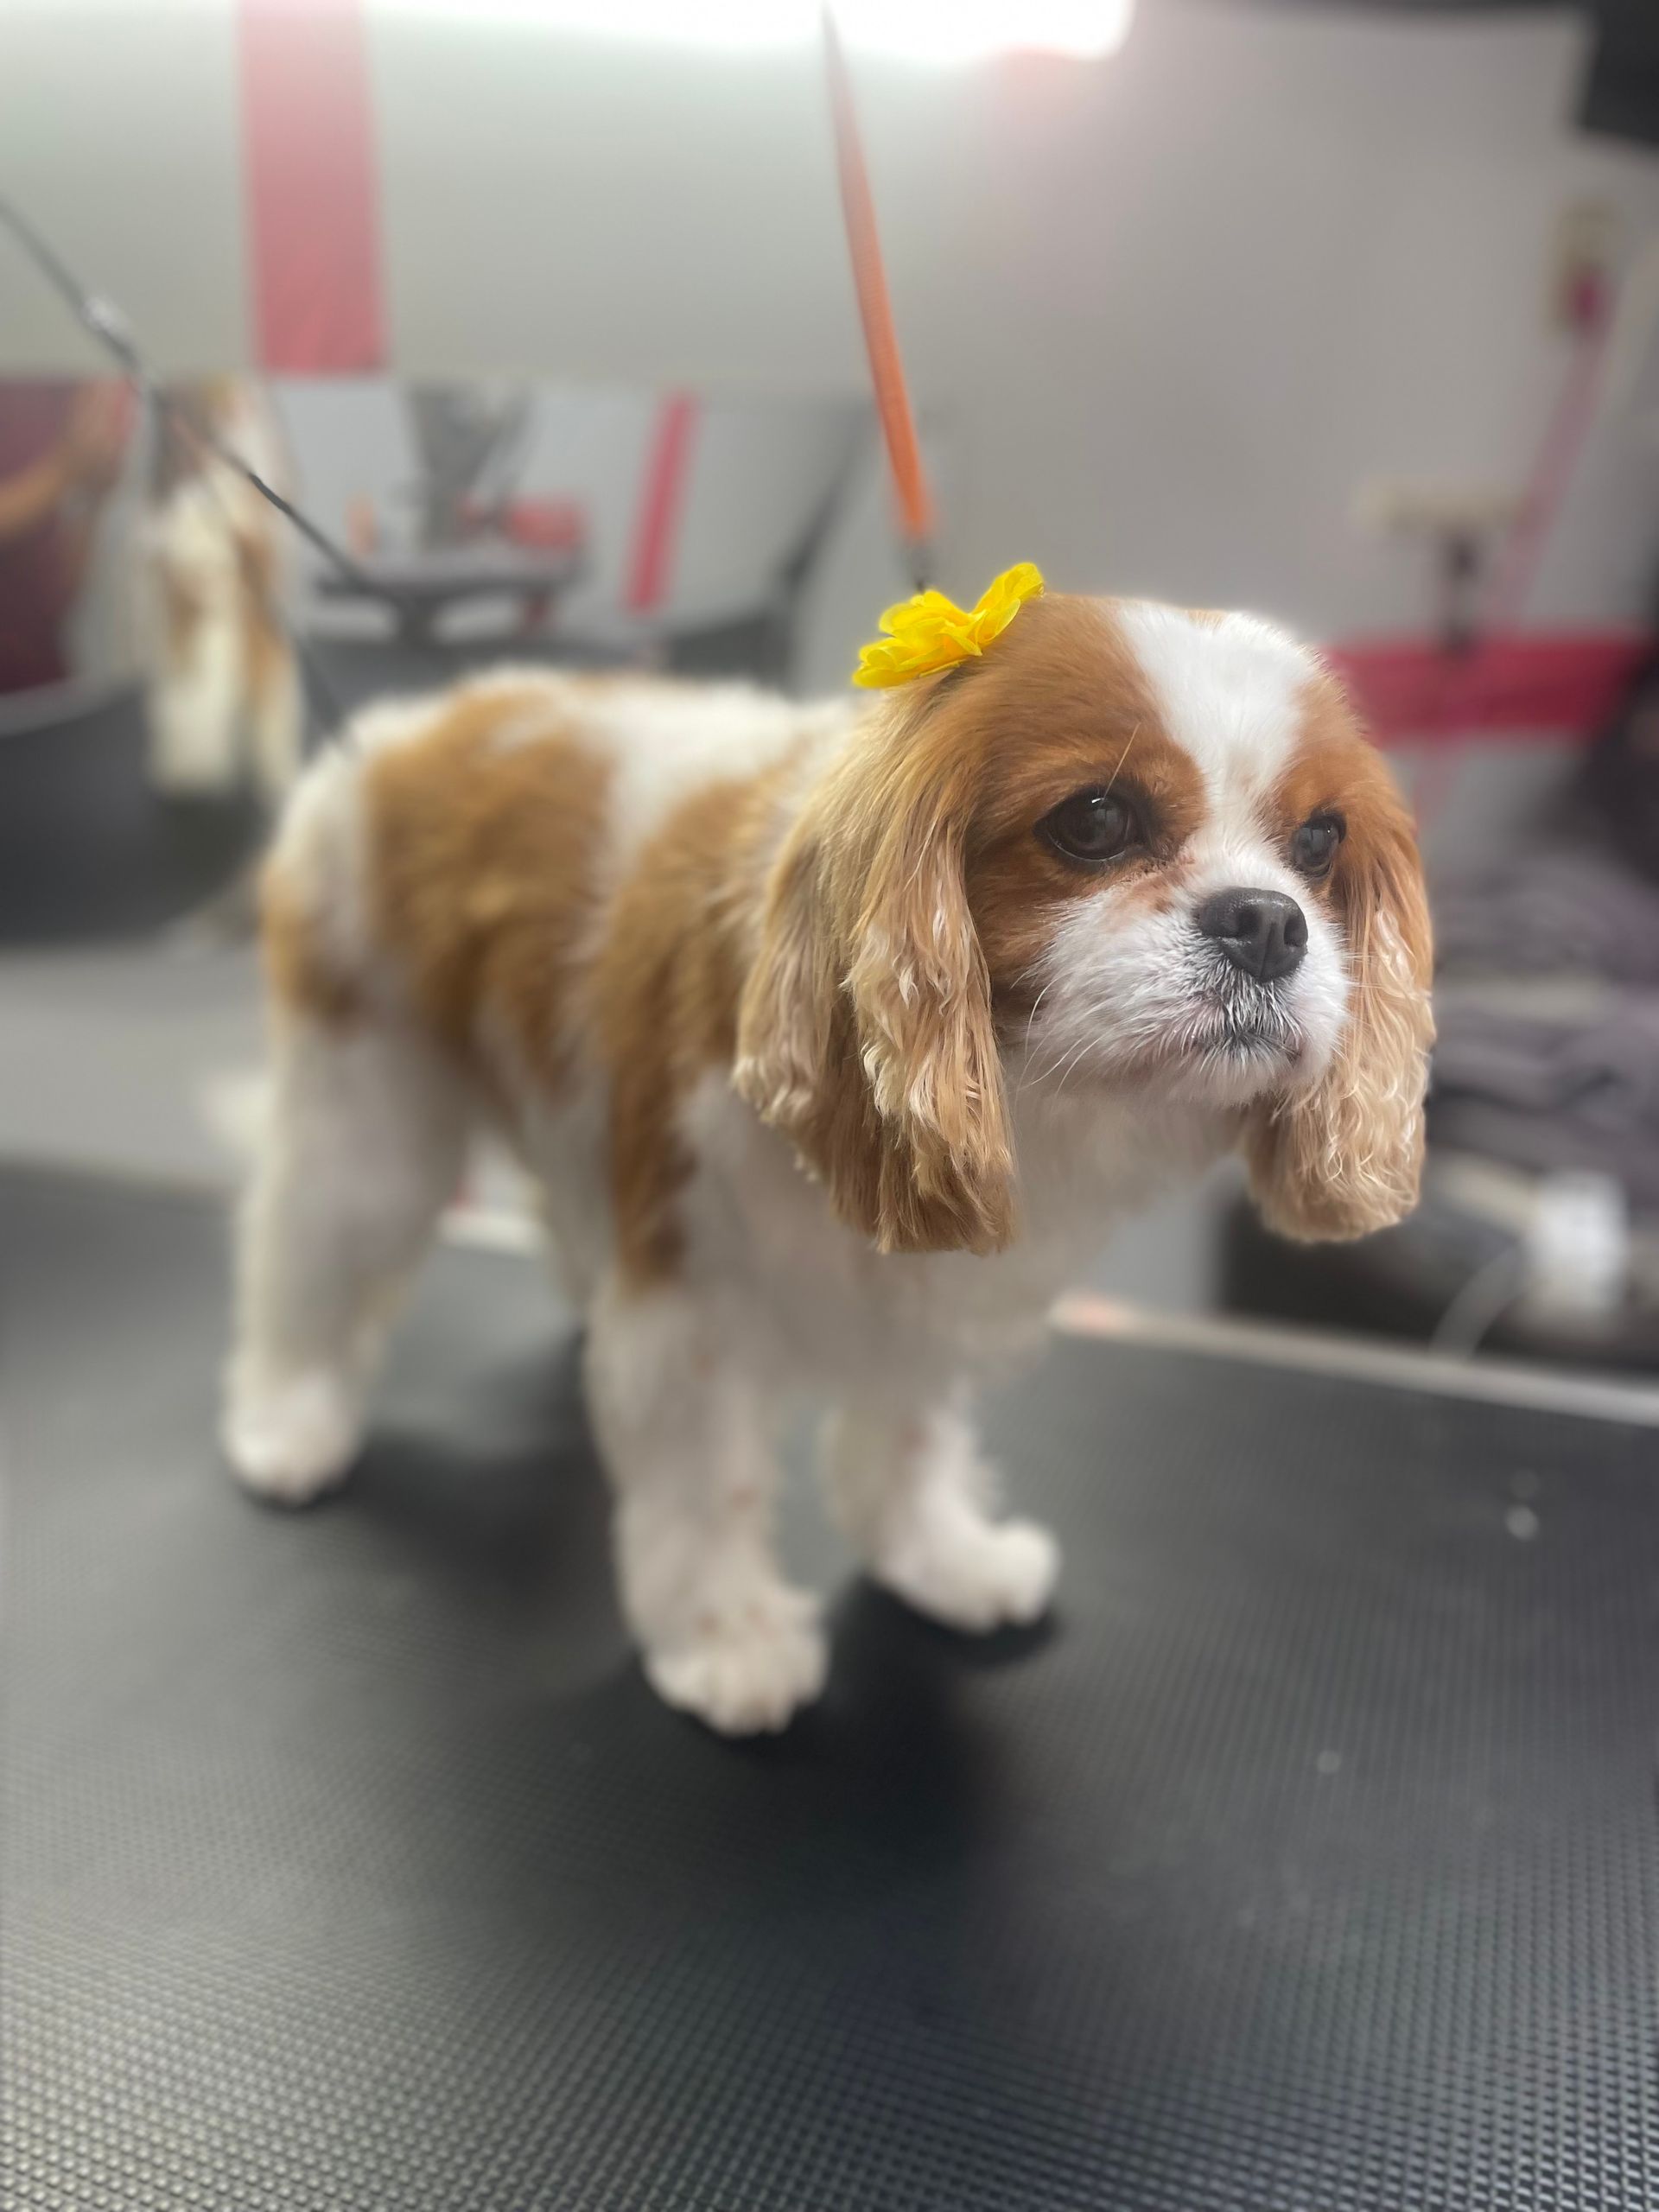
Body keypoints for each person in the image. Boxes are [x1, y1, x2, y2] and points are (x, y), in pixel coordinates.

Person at [0, 380, 130, 693]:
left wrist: (93, 500)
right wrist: (62, 473)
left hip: (40, 679)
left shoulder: (61, 389)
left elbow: (59, 595)